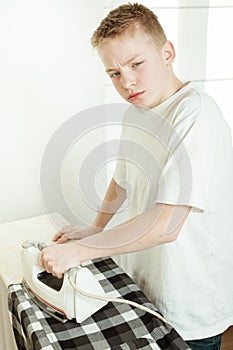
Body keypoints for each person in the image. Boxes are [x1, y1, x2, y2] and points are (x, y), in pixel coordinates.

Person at [39, 3, 233, 349]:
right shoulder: (136, 113)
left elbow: (166, 225)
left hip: (190, 302)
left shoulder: (196, 114)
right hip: (144, 283)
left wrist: (83, 250)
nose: (126, 81)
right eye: (113, 73)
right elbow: (122, 178)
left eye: (136, 64)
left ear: (167, 52)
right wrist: (97, 227)